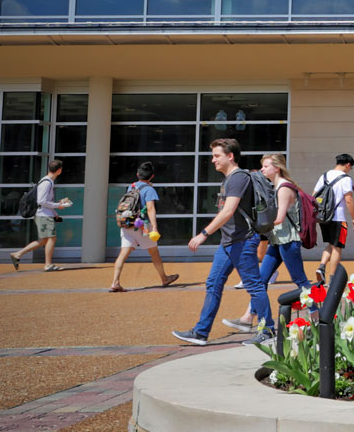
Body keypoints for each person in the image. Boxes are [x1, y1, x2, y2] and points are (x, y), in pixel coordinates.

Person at [172, 138, 272, 347]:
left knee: (254, 286)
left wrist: (203, 234)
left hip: (242, 241)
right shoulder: (228, 179)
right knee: (213, 284)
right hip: (228, 243)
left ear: (230, 156)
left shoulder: (238, 178)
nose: (212, 160)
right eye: (213, 156)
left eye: (217, 156)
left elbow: (228, 211)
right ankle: (201, 332)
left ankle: (268, 330)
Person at [231, 153, 312, 332]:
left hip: (288, 241)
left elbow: (279, 217)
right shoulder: (276, 187)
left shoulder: (283, 188)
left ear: (277, 168)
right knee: (261, 280)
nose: (262, 169)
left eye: (266, 166)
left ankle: (317, 315)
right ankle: (247, 317)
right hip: (277, 240)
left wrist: (256, 224)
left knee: (300, 280)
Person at [109, 161, 177, 292]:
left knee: (123, 254)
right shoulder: (149, 190)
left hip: (127, 224)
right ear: (152, 176)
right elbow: (150, 209)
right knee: (154, 253)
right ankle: (164, 278)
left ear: (137, 174)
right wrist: (155, 228)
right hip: (142, 226)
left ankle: (115, 282)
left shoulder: (131, 187)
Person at [10, 157, 73, 270]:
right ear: (59, 170)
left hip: (44, 214)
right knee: (51, 238)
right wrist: (58, 206)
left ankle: (18, 254)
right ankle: (48, 264)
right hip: (43, 215)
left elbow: (45, 202)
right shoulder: (47, 183)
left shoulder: (47, 181)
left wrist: (54, 212)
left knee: (43, 240)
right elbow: (41, 201)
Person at [314, 153, 354, 276]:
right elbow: (349, 200)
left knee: (331, 244)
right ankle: (333, 277)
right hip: (338, 217)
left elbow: (314, 195)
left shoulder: (324, 176)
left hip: (324, 217)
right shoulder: (346, 179)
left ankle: (322, 266)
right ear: (348, 164)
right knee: (337, 247)